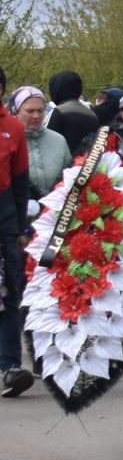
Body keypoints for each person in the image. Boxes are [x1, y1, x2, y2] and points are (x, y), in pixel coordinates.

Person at [0, 93, 31, 397]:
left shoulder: (12, 126)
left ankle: (11, 367)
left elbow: (21, 181)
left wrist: (20, 226)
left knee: (8, 291)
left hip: (5, 218)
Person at [12, 88, 71, 205]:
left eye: (40, 111)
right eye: (30, 111)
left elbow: (69, 177)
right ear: (16, 111)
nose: (36, 116)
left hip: (54, 215)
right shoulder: (6, 141)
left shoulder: (59, 140)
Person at [46, 70, 99, 156]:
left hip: (65, 166)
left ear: (57, 89)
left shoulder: (59, 112)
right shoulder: (92, 114)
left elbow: (47, 142)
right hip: (88, 165)